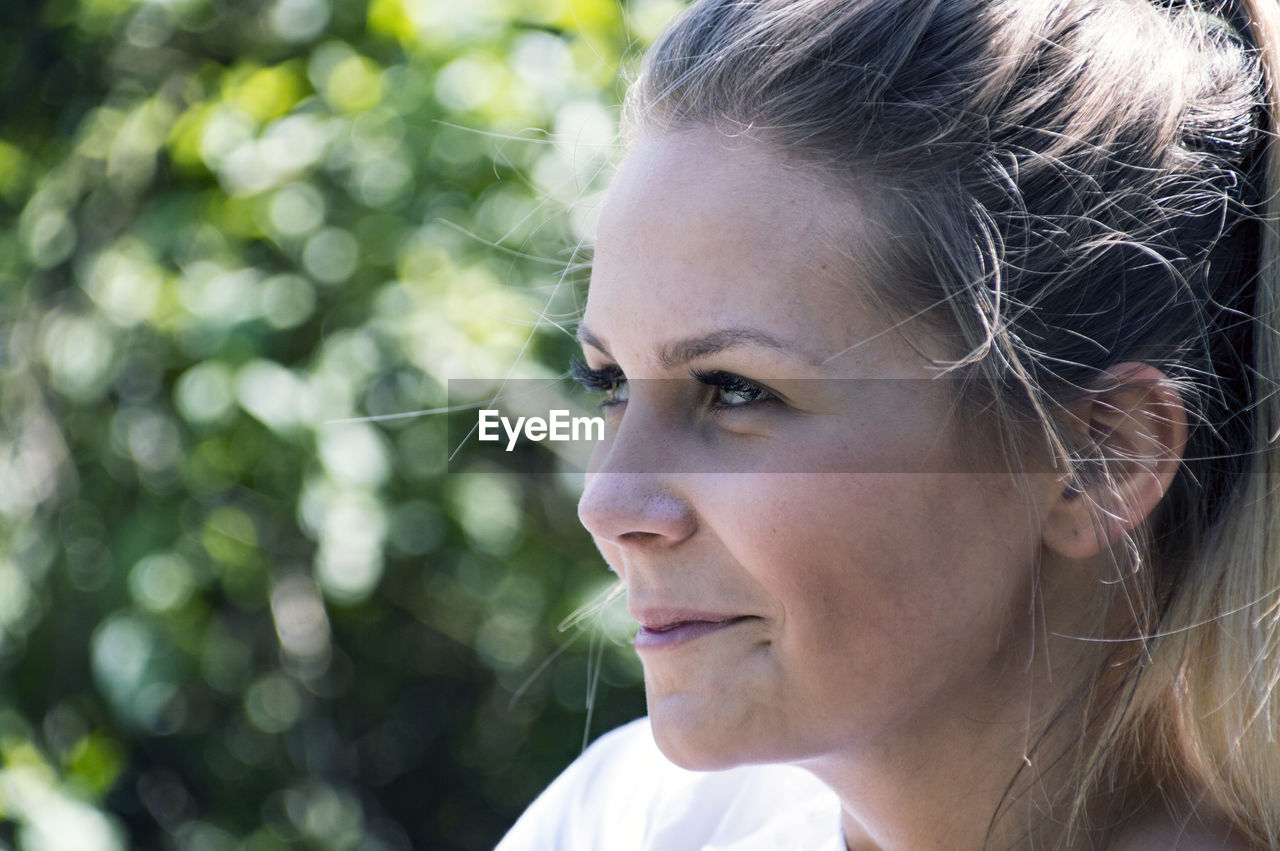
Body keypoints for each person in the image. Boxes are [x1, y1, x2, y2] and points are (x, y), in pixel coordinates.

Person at [497, 0, 1280, 848]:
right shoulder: (631, 820)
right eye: (608, 381)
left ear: (1100, 455)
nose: (607, 503)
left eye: (734, 390)